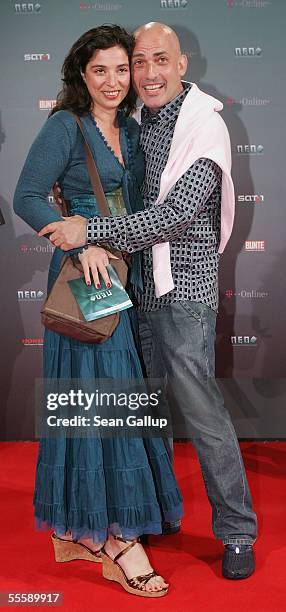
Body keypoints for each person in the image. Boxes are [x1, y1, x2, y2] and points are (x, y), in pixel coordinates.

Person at [40, 22, 258, 580]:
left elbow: (175, 213)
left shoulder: (205, 125)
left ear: (182, 64)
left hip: (183, 292)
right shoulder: (132, 122)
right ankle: (150, 513)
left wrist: (90, 231)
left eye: (160, 60)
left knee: (204, 414)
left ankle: (236, 532)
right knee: (141, 411)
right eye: (139, 62)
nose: (148, 73)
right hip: (132, 289)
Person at [13, 25, 185, 598]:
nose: (113, 82)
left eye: (121, 69)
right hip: (88, 284)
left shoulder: (134, 132)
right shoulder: (65, 125)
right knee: (100, 407)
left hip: (129, 285)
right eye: (99, 71)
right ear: (80, 75)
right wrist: (79, 243)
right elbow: (28, 196)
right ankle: (113, 539)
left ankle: (77, 529)